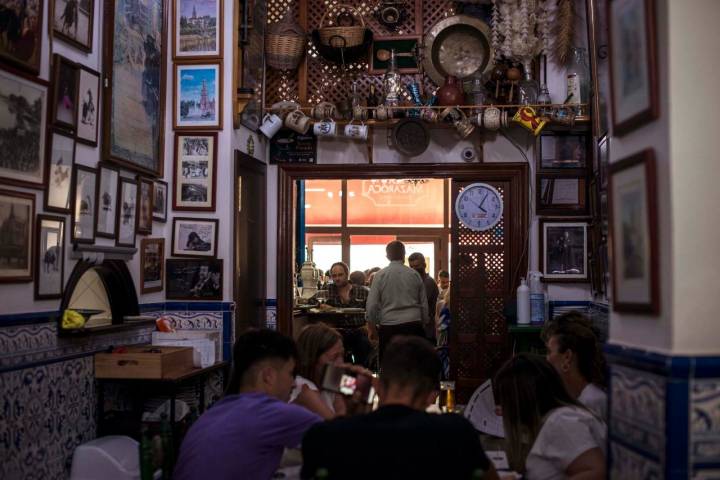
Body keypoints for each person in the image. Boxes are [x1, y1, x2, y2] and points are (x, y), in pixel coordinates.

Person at [301, 336, 500, 480]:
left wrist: (347, 416)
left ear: (377, 387)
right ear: (432, 396)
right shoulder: (457, 432)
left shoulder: (324, 436)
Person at [174, 330, 322, 480]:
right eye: (291, 373)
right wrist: (318, 402)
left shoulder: (214, 413)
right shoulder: (272, 412)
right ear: (268, 376)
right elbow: (342, 444)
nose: (293, 383)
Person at [494, 354, 606, 479]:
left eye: (504, 401)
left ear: (520, 401)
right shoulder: (558, 418)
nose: (501, 409)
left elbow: (596, 472)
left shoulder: (561, 422)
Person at [365, 241, 429, 362]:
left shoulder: (380, 275)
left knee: (390, 365)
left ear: (387, 256)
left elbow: (372, 304)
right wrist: (424, 322)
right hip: (413, 324)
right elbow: (424, 304)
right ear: (403, 254)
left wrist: (372, 328)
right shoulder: (414, 274)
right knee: (414, 365)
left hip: (389, 327)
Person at [542, 311, 608, 422]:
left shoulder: (592, 402)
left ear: (567, 357)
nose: (546, 359)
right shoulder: (572, 395)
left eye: (549, 352)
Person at [291, 323, 346, 419]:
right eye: (334, 357)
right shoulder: (303, 387)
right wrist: (341, 403)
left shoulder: (328, 380)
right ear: (312, 358)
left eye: (342, 355)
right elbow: (337, 430)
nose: (341, 363)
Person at [408, 252, 439, 341]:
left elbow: (418, 303)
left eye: (417, 266)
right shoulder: (417, 281)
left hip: (427, 330)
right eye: (411, 267)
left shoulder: (428, 282)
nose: (414, 269)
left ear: (424, 265)